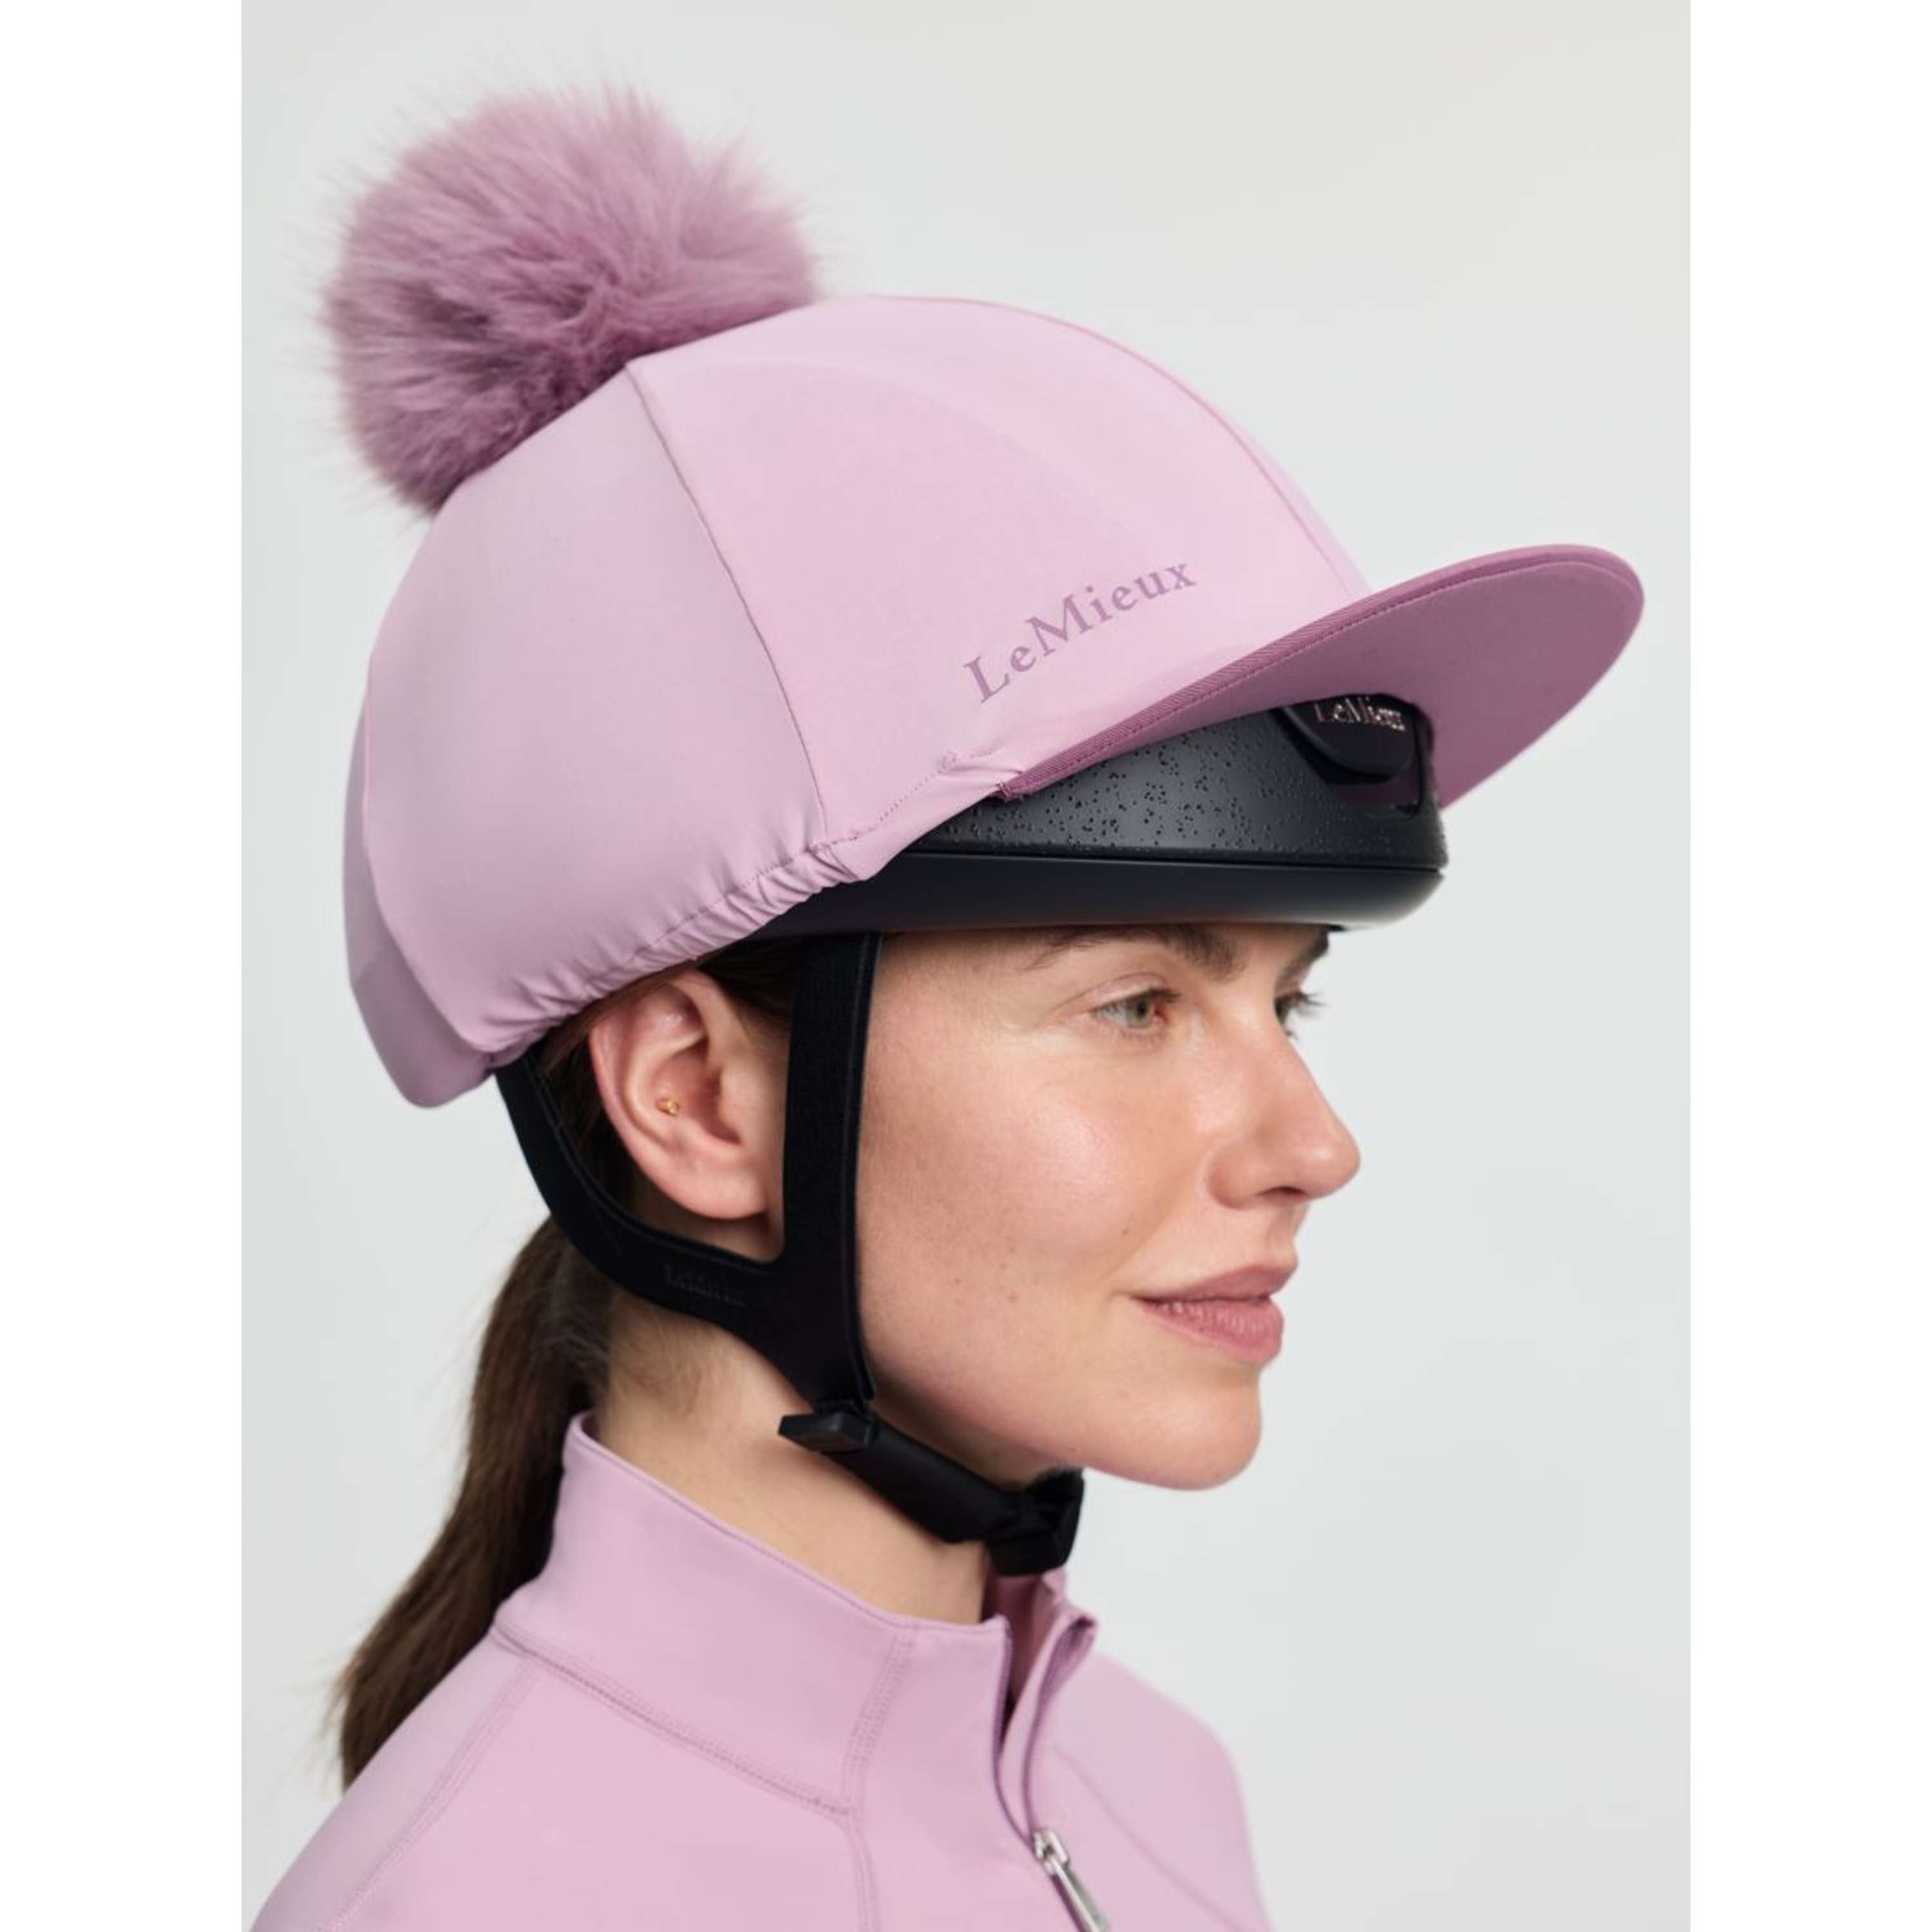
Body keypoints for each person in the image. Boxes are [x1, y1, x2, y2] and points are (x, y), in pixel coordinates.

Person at [251, 83, 1643, 1932]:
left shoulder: (1147, 1782)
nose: (1314, 1148)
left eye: (1286, 1005)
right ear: (698, 1099)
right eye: (1138, 1004)